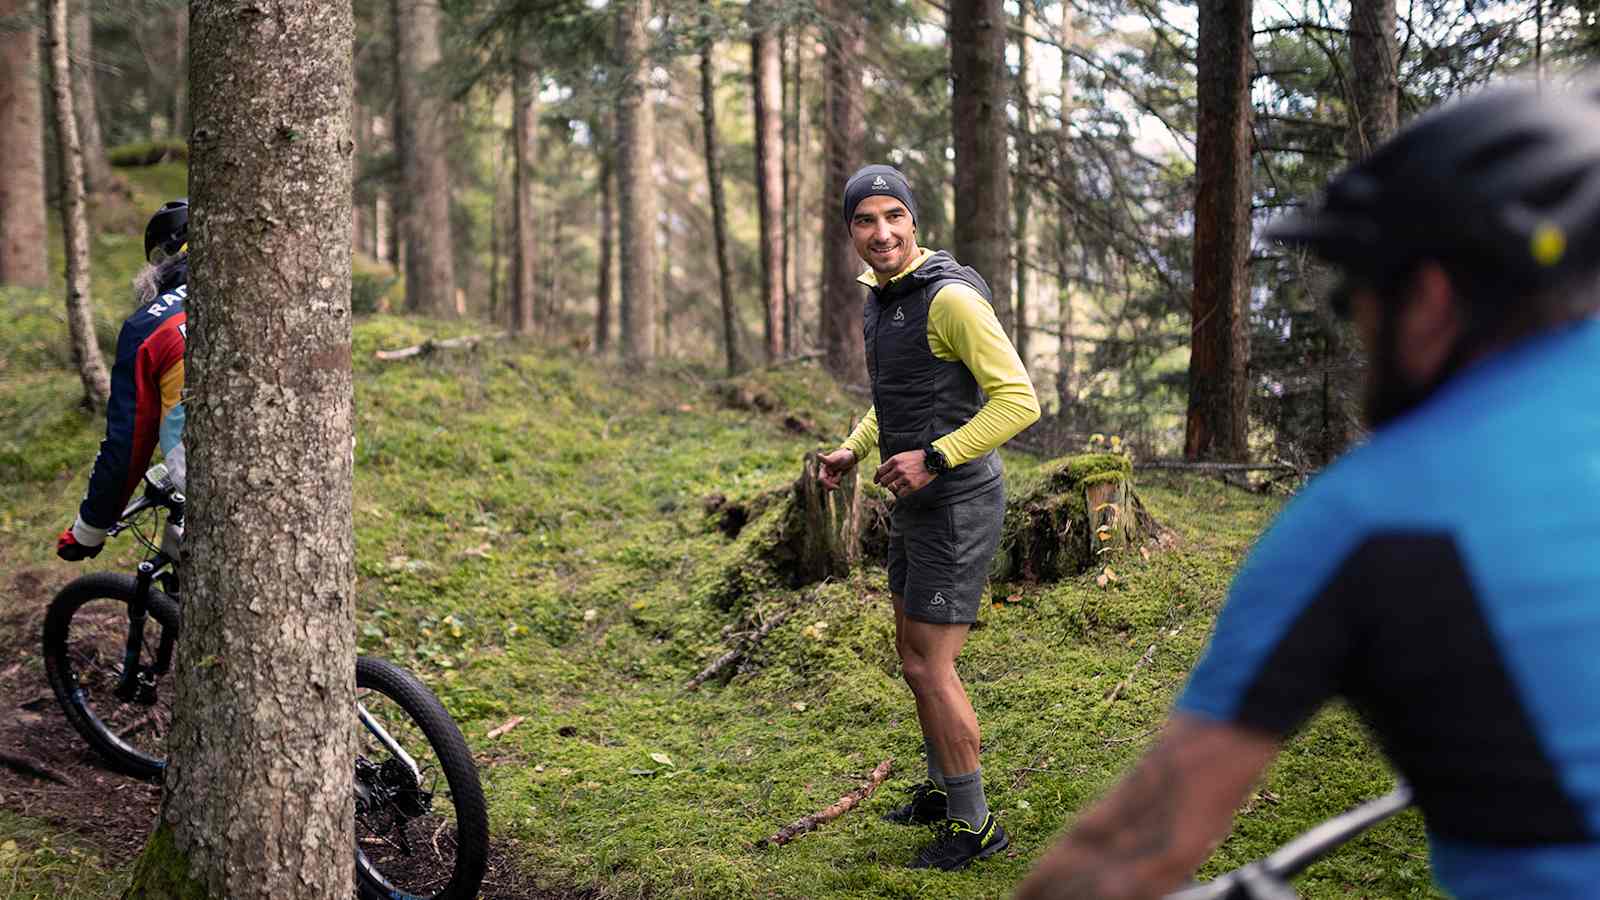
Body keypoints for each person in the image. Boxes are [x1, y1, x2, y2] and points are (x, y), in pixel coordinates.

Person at [1017, 82, 1600, 899]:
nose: (1354, 329)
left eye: (1349, 297)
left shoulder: (1372, 515)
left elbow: (1131, 852)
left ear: (1429, 298)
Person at [817, 164, 1040, 870]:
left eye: (893, 216)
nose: (881, 231)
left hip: (957, 502)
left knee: (932, 667)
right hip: (915, 502)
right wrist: (856, 449)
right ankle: (946, 790)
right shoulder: (884, 298)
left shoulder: (949, 300)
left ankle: (976, 826)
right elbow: (900, 394)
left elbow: (1019, 403)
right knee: (912, 658)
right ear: (851, 230)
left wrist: (935, 459)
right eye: (865, 219)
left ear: (914, 222)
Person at [56, 199, 190, 562]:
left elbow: (127, 445)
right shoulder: (262, 289)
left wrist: (89, 530)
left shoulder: (148, 325)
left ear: (162, 257)